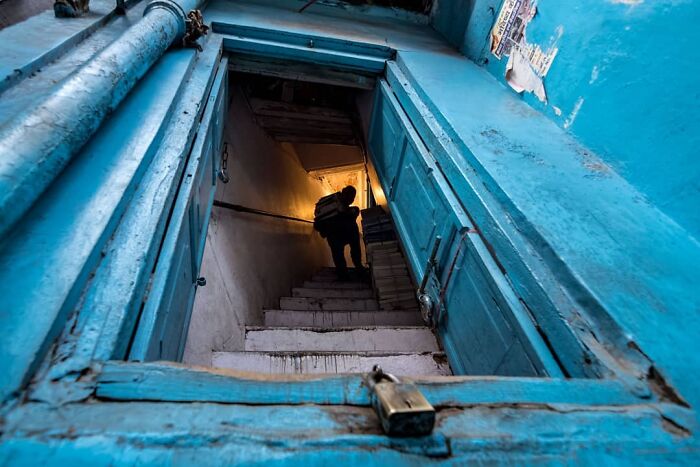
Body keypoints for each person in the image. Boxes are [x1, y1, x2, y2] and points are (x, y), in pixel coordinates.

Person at [316, 186, 366, 281]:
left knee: (338, 254)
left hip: (333, 236)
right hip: (343, 234)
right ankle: (358, 268)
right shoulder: (344, 208)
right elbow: (350, 215)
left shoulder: (330, 201)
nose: (352, 199)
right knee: (354, 244)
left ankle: (343, 274)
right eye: (352, 197)